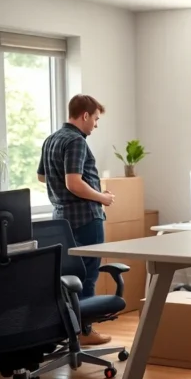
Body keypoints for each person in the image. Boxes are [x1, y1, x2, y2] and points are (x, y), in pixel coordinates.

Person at [37, 94, 114, 346]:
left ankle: (71, 330)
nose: (96, 124)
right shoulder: (76, 141)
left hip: (61, 219)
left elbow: (42, 177)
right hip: (85, 218)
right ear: (85, 115)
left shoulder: (51, 139)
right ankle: (85, 330)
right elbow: (74, 183)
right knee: (87, 276)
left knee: (68, 277)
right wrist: (102, 197)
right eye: (96, 119)